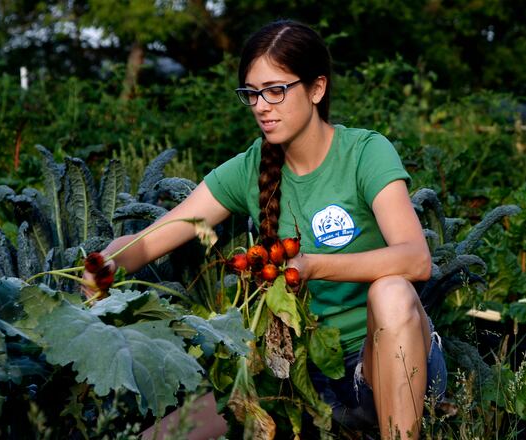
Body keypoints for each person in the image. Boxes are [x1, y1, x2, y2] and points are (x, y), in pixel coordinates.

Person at [83, 19, 446, 439]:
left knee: (392, 291)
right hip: (301, 379)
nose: (261, 105)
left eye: (275, 90)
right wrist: (107, 262)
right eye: (252, 94)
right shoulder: (250, 169)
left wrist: (310, 266)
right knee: (163, 436)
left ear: (316, 89)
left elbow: (416, 259)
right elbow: (156, 238)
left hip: (389, 367)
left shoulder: (365, 153)